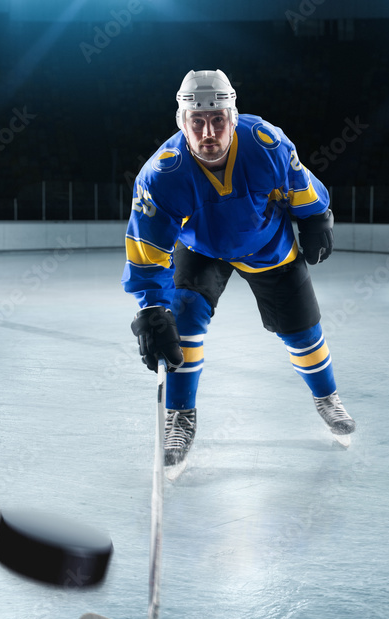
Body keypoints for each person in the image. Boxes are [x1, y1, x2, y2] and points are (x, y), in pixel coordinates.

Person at [122, 69, 355, 473]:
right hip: (201, 248)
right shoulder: (161, 175)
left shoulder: (266, 143)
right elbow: (147, 249)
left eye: (218, 120)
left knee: (302, 330)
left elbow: (299, 182)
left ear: (233, 117)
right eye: (197, 121)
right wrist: (151, 309)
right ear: (182, 123)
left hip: (268, 243)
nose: (208, 132)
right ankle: (180, 414)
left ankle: (326, 397)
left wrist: (316, 216)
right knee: (183, 317)